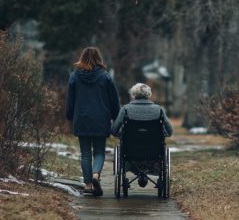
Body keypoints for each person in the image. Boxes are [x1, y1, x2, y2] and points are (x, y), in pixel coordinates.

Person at [66, 47, 120, 196]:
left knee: (85, 153)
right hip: (101, 119)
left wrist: (70, 115)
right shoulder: (105, 77)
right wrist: (117, 117)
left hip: (82, 118)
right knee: (99, 152)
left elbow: (70, 100)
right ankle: (96, 175)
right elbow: (114, 100)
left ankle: (88, 184)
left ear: (82, 58)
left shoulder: (74, 76)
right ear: (99, 59)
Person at [111, 83, 174, 187]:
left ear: (134, 95)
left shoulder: (126, 109)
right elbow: (170, 131)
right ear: (149, 95)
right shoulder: (159, 110)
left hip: (130, 150)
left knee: (125, 149)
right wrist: (163, 134)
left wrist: (121, 135)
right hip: (154, 150)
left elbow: (114, 130)